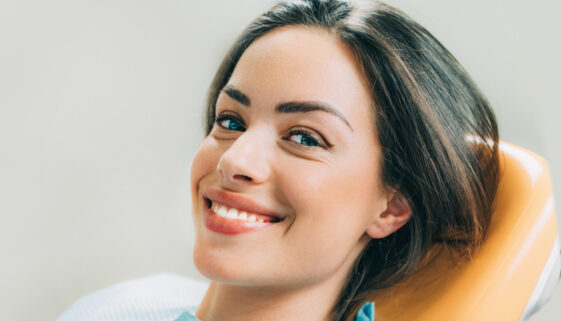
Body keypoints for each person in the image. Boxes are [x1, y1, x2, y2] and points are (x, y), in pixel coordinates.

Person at [56, 1, 499, 321]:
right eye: (230, 120)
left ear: (392, 205)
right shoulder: (115, 308)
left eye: (304, 137)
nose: (235, 159)